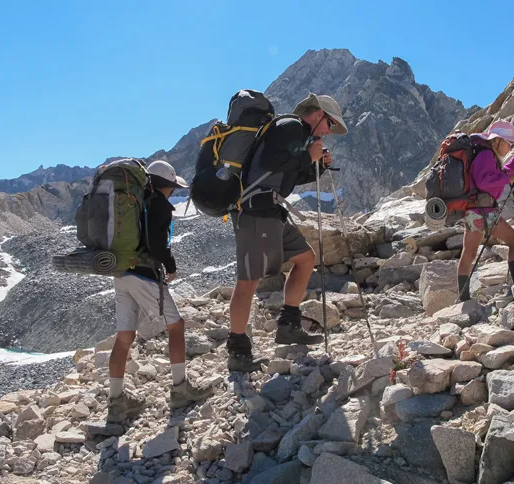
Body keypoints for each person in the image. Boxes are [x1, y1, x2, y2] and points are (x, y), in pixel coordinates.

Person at [226, 93, 348, 373]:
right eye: (330, 124)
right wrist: (308, 155)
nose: (329, 131)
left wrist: (317, 165)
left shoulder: (298, 133)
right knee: (248, 282)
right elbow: (271, 162)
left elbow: (289, 174)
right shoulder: (290, 127)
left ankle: (288, 325)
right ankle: (237, 351)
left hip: (270, 212)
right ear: (318, 114)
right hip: (256, 212)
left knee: (306, 258)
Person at [107, 160, 214, 423]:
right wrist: (170, 266)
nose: (172, 193)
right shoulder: (159, 205)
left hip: (120, 273)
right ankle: (180, 388)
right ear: (165, 186)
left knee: (124, 337)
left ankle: (116, 404)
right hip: (144, 274)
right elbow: (157, 245)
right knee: (176, 325)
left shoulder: (134, 203)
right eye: (172, 188)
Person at [457, 121, 514, 302]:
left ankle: (464, 299)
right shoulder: (486, 155)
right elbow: (484, 181)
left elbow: (498, 174)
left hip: (474, 211)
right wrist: (510, 178)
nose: (510, 147)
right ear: (497, 141)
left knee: (469, 252)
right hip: (485, 211)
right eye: (509, 143)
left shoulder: (485, 154)